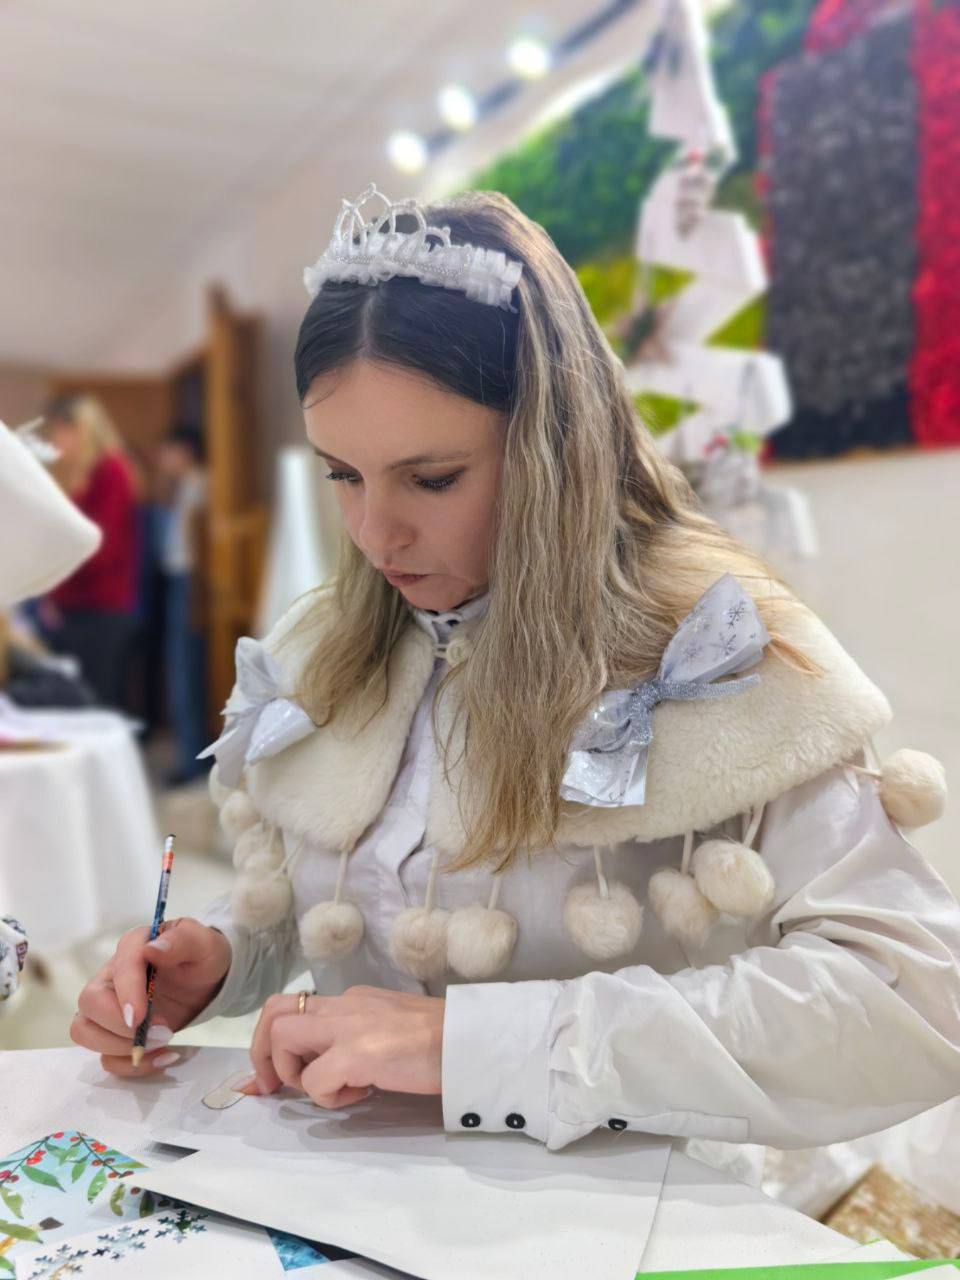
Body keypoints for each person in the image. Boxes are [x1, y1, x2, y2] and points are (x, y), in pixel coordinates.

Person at [71, 185, 959, 1179]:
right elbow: (346, 900)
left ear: (557, 451)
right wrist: (225, 955)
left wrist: (481, 1047)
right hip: (370, 1193)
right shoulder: (326, 643)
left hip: (636, 1208)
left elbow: (911, 997)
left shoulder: (708, 645)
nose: (374, 535)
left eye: (433, 478)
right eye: (342, 474)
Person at [36, 395, 139, 710]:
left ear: (80, 430)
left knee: (96, 703)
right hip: (76, 606)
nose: (55, 441)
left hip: (101, 607)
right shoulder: (76, 475)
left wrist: (55, 586)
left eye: (60, 432)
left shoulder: (110, 470)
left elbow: (98, 546)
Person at [156, 424, 210, 786]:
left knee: (187, 671)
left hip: (192, 585)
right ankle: (187, 755)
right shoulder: (185, 486)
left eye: (169, 450)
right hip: (178, 581)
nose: (163, 459)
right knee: (180, 670)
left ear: (185, 451)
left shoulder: (204, 485)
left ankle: (193, 759)